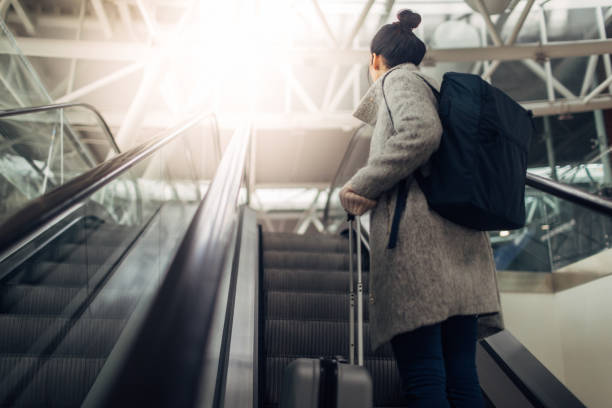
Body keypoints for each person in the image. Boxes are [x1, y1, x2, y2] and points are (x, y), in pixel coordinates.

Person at [339, 9, 503, 408]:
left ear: (375, 59)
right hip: (459, 253)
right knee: (461, 379)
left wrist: (363, 183)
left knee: (425, 376)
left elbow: (420, 132)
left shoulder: (398, 80)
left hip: (420, 255)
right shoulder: (436, 89)